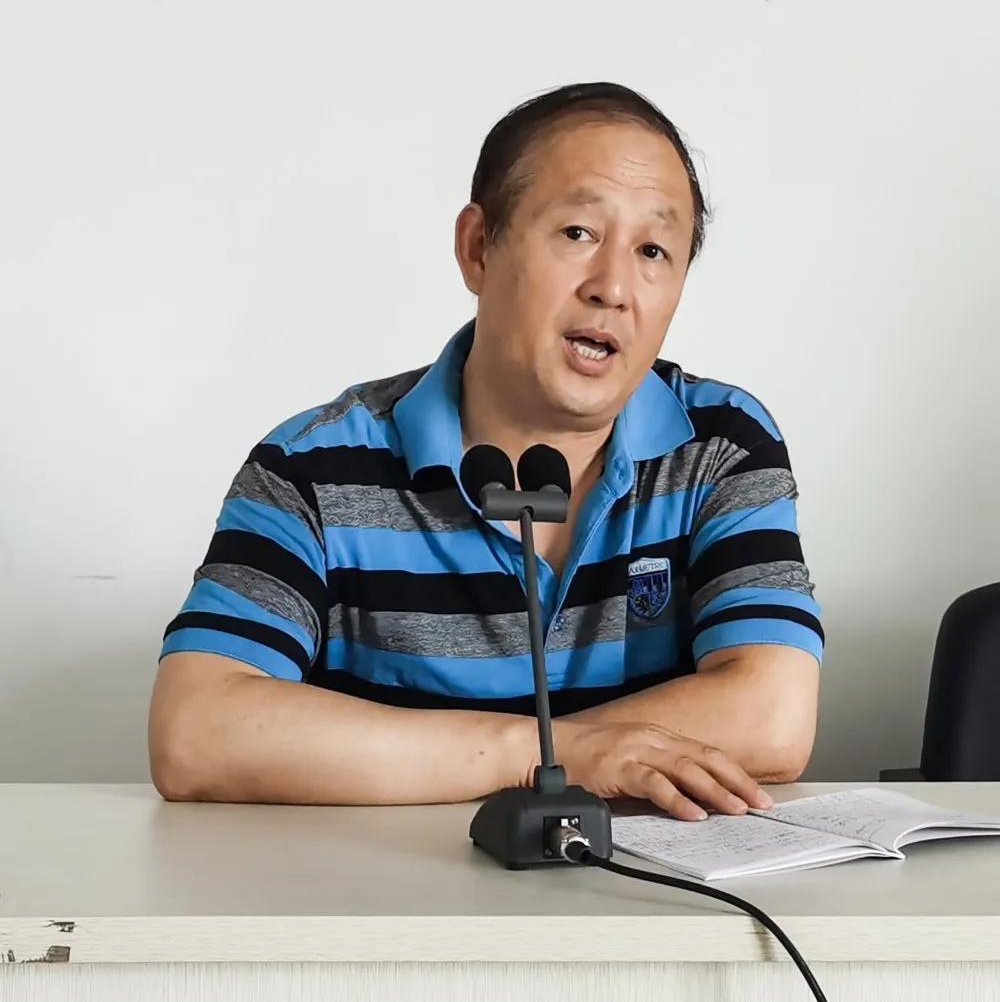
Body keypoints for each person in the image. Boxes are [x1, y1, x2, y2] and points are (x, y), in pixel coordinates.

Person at [148, 82, 823, 821]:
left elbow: (772, 716)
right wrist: (542, 758)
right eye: (578, 233)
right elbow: (195, 732)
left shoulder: (720, 445)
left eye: (654, 251)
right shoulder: (312, 467)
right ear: (478, 248)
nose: (613, 288)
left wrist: (496, 755)